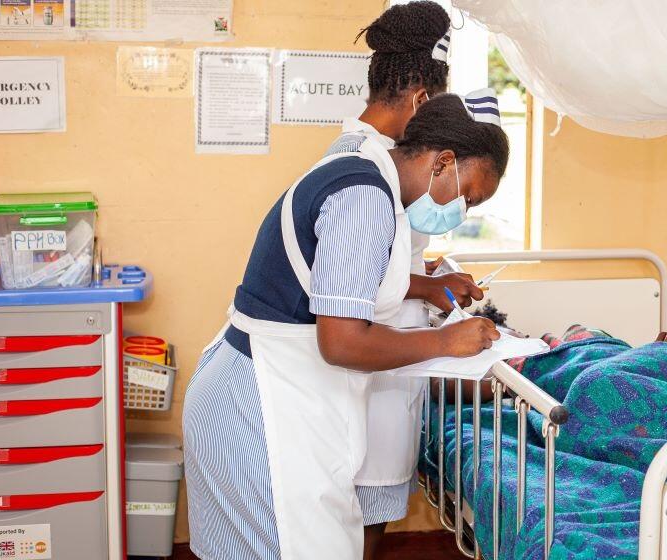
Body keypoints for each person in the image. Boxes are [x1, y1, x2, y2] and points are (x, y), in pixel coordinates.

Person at [183, 93, 510, 560]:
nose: (463, 212)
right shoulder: (365, 197)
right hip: (260, 410)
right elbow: (341, 342)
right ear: (444, 162)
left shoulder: (364, 174)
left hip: (251, 389)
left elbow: (344, 283)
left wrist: (422, 288)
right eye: (468, 196)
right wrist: (444, 341)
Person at [323, 4, 469, 557]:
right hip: (363, 352)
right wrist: (442, 334)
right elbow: (345, 312)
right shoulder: (366, 174)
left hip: (380, 348)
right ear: (422, 101)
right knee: (357, 510)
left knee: (368, 507)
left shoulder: (378, 163)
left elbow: (373, 267)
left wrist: (429, 281)